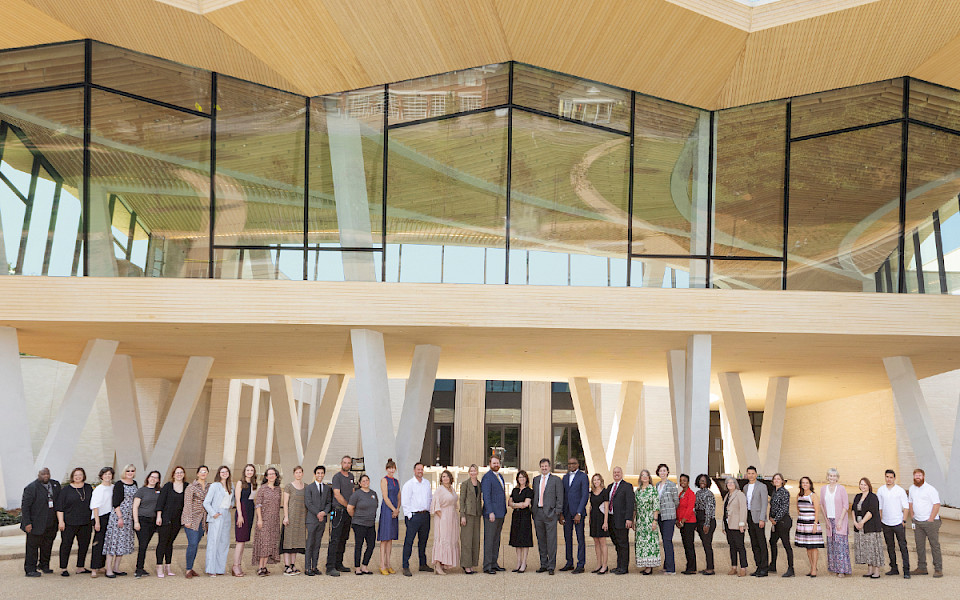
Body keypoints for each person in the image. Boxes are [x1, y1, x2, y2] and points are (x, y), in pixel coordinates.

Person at [21, 467, 61, 577]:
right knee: (32, 547)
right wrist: (27, 523)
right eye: (43, 474)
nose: (46, 476)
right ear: (38, 475)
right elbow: (25, 507)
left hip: (51, 523)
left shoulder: (55, 485)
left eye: (47, 473)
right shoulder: (31, 488)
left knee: (47, 545)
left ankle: (44, 565)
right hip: (35, 524)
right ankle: (30, 569)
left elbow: (59, 502)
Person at [56, 467, 93, 577]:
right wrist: (61, 521)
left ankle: (80, 567)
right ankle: (63, 568)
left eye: (80, 475)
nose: (78, 477)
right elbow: (59, 507)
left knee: (84, 545)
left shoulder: (88, 488)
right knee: (66, 545)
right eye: (76, 475)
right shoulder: (66, 490)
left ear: (83, 476)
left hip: (85, 522)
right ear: (72, 476)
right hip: (69, 523)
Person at [103, 464, 137, 578]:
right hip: (119, 516)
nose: (130, 473)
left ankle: (116, 568)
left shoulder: (135, 483)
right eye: (128, 471)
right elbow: (115, 502)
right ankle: (108, 569)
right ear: (124, 472)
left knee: (122, 543)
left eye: (132, 471)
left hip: (129, 517)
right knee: (113, 542)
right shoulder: (119, 484)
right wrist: (120, 517)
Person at [908, 467, 943, 577]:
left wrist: (931, 519)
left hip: (930, 523)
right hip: (917, 522)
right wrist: (912, 516)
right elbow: (910, 503)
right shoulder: (912, 488)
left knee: (934, 545)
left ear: (923, 477)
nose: (917, 477)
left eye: (919, 475)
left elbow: (936, 504)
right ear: (913, 477)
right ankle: (922, 568)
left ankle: (938, 569)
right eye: (916, 475)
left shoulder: (930, 489)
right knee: (919, 546)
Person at [401, 461, 433, 576]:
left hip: (425, 516)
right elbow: (405, 501)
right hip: (414, 516)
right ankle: (405, 565)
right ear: (414, 471)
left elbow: (430, 498)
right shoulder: (409, 484)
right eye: (418, 469)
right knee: (409, 541)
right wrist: (409, 516)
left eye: (421, 469)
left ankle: (422, 564)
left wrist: (429, 511)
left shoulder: (427, 483)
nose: (420, 471)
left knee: (423, 541)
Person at [877, 469, 910, 578]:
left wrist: (904, 521)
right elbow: (880, 507)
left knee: (902, 546)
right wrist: (880, 521)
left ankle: (906, 570)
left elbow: (906, 507)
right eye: (887, 477)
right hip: (886, 523)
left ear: (894, 478)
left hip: (898, 523)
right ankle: (894, 568)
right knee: (890, 546)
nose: (889, 479)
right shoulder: (881, 490)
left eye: (891, 477)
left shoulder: (900, 490)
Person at [325, 455, 355, 576]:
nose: (347, 464)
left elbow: (352, 492)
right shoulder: (337, 477)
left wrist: (352, 506)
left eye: (349, 463)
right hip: (338, 511)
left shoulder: (352, 477)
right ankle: (330, 566)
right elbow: (337, 494)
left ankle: (339, 563)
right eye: (345, 462)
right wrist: (348, 506)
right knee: (335, 539)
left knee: (344, 538)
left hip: (348, 512)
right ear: (341, 463)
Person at [532, 459, 562, 574]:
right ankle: (543, 564)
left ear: (550, 467)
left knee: (551, 541)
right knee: (541, 540)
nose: (544, 468)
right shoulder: (536, 480)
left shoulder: (556, 480)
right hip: (538, 513)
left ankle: (551, 566)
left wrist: (557, 512)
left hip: (550, 514)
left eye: (546, 466)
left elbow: (560, 497)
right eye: (542, 466)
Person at [203, 465, 233, 577]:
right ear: (219, 474)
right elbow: (206, 502)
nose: (224, 473)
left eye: (226, 472)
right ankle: (211, 569)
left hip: (226, 515)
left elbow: (232, 500)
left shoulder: (231, 485)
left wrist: (231, 505)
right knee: (213, 542)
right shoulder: (215, 486)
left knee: (224, 542)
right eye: (222, 472)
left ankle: (220, 568)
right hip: (217, 515)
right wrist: (213, 513)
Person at [155, 466, 185, 578]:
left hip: (177, 520)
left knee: (170, 543)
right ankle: (159, 566)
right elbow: (160, 502)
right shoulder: (168, 486)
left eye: (181, 472)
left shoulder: (186, 486)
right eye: (177, 473)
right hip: (165, 518)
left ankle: (168, 566)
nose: (179, 474)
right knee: (162, 542)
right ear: (173, 474)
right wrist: (159, 516)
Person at [821, 467, 851, 577]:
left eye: (834, 476)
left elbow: (845, 505)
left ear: (837, 478)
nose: (832, 478)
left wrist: (840, 520)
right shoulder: (823, 489)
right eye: (830, 476)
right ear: (827, 477)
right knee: (832, 545)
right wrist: (826, 521)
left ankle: (842, 569)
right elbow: (822, 505)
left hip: (840, 520)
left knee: (840, 545)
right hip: (829, 520)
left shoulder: (841, 489)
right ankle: (834, 567)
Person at [253, 466, 283, 576]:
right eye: (269, 474)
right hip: (264, 519)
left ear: (276, 476)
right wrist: (260, 519)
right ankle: (260, 567)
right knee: (264, 543)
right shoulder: (262, 489)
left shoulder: (278, 489)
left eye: (273, 474)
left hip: (274, 520)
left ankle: (264, 566)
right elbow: (258, 504)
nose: (271, 476)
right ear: (266, 476)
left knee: (270, 543)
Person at [560, 456, 589, 573]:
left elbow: (585, 495)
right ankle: (569, 562)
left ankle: (581, 564)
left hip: (578, 514)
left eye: (573, 463)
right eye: (569, 463)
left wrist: (579, 512)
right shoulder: (565, 477)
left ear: (578, 464)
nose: (571, 465)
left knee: (580, 539)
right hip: (566, 513)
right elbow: (562, 496)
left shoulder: (583, 477)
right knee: (567, 538)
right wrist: (561, 513)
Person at [852, 477, 884, 578]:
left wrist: (862, 522)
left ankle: (877, 572)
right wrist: (855, 522)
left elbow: (871, 511)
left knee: (873, 548)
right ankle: (869, 570)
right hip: (859, 525)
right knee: (866, 549)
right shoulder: (858, 496)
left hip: (871, 526)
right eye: (861, 484)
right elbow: (853, 509)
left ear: (869, 486)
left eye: (865, 485)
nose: (863, 486)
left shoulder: (873, 497)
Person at [132, 470, 162, 578]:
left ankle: (141, 567)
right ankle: (138, 569)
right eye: (152, 477)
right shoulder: (141, 491)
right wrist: (136, 522)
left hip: (153, 522)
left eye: (156, 477)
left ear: (158, 480)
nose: (153, 479)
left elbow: (160, 506)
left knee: (145, 544)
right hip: (142, 520)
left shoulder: (159, 491)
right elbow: (135, 507)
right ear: (148, 478)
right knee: (143, 545)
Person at [347, 473, 379, 575]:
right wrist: (356, 518)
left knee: (371, 545)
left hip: (371, 524)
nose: (366, 482)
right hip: (359, 524)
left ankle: (364, 566)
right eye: (363, 481)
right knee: (359, 545)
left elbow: (375, 506)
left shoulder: (373, 493)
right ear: (360, 483)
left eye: (367, 480)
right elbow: (350, 508)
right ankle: (357, 567)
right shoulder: (356, 494)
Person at [481, 455, 507, 575]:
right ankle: (487, 566)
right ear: (490, 464)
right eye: (494, 463)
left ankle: (494, 563)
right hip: (491, 514)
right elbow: (486, 496)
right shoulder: (487, 477)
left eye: (497, 463)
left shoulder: (500, 476)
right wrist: (490, 511)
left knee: (496, 540)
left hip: (500, 513)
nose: (496, 465)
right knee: (489, 540)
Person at [430, 469, 460, 574]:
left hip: (452, 517)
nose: (445, 478)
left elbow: (454, 503)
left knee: (450, 539)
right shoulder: (439, 490)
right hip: (443, 517)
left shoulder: (451, 489)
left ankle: (444, 563)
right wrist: (442, 518)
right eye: (443, 476)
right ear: (441, 479)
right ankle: (437, 565)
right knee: (442, 539)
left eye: (447, 476)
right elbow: (435, 505)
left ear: (450, 478)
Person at [182, 465, 209, 579]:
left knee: (196, 545)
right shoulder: (191, 487)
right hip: (192, 519)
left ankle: (191, 567)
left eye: (205, 471)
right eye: (201, 471)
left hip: (203, 520)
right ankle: (188, 569)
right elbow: (187, 505)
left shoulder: (209, 487)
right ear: (197, 473)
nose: (203, 473)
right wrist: (187, 520)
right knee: (192, 544)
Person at [304, 465, 331, 576]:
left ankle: (314, 566)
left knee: (318, 544)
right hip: (312, 519)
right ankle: (307, 568)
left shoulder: (327, 488)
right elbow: (308, 503)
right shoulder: (309, 488)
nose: (320, 475)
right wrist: (318, 513)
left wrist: (324, 512)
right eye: (318, 473)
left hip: (322, 520)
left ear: (324, 474)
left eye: (322, 473)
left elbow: (329, 503)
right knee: (310, 543)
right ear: (315, 474)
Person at [607, 466, 634, 574]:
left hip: (622, 520)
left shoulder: (627, 486)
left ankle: (624, 567)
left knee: (623, 544)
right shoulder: (610, 487)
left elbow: (630, 503)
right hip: (611, 519)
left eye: (618, 472)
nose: (616, 474)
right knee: (616, 543)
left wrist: (629, 518)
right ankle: (619, 565)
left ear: (622, 473)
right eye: (614, 472)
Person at [794, 476, 824, 577]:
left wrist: (815, 524)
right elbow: (798, 508)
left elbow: (817, 511)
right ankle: (812, 567)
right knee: (807, 547)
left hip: (812, 523)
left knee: (814, 546)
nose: (805, 484)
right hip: (803, 523)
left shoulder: (813, 496)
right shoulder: (799, 495)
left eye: (806, 483)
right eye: (803, 483)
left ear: (810, 484)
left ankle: (814, 568)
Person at [742, 465, 769, 577]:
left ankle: (764, 568)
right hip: (749, 517)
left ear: (756, 474)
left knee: (761, 543)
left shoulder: (762, 486)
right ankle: (758, 566)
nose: (751, 475)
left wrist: (762, 518)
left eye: (753, 473)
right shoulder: (745, 487)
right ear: (746, 475)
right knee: (754, 543)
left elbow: (764, 504)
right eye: (749, 473)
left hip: (758, 518)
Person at [232, 464, 257, 577]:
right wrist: (240, 515)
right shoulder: (240, 483)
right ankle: (235, 566)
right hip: (242, 510)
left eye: (251, 470)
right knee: (240, 540)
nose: (249, 472)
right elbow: (237, 500)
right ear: (244, 471)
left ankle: (239, 565)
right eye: (247, 470)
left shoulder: (254, 484)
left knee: (244, 540)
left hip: (250, 510)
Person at [634, 469, 661, 575]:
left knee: (650, 543)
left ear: (649, 477)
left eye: (646, 475)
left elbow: (656, 506)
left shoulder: (653, 490)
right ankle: (645, 565)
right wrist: (633, 520)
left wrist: (655, 520)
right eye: (642, 475)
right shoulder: (638, 491)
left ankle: (650, 567)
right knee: (642, 543)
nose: (644, 477)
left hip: (649, 519)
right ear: (640, 478)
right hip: (640, 521)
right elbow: (635, 507)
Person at [281, 465, 307, 575]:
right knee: (288, 541)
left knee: (296, 542)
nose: (298, 474)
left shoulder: (306, 486)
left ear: (302, 474)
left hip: (301, 518)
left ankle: (292, 564)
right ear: (294, 474)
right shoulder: (289, 486)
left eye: (300, 472)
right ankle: (286, 566)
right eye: (296, 472)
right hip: (290, 517)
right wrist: (286, 516)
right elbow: (285, 503)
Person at [767, 473, 794, 577]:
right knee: (772, 541)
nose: (776, 480)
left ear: (782, 481)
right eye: (775, 479)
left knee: (786, 544)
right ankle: (773, 565)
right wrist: (770, 517)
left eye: (778, 479)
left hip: (783, 521)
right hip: (775, 522)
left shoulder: (785, 492)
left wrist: (776, 519)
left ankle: (791, 568)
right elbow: (772, 506)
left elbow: (784, 508)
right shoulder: (774, 491)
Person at [89, 467, 114, 578]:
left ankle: (101, 565)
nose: (107, 476)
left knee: (107, 543)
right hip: (100, 516)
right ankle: (94, 568)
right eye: (105, 474)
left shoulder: (113, 487)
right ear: (101, 476)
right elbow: (95, 506)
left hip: (111, 517)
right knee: (98, 543)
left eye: (109, 474)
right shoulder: (99, 489)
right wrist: (97, 522)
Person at [377, 458, 401, 575]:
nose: (391, 470)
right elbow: (385, 497)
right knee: (384, 538)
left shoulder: (396, 481)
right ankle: (382, 564)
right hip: (387, 510)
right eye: (390, 468)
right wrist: (393, 509)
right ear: (386, 469)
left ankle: (388, 563)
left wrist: (397, 509)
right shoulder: (384, 480)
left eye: (393, 468)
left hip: (394, 510)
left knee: (390, 538)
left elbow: (399, 496)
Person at [459, 464, 483, 574]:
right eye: (471, 471)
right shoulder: (465, 484)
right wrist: (462, 515)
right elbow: (461, 500)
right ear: (469, 472)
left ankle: (472, 564)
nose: (473, 473)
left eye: (475, 471)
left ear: (477, 472)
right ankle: (466, 565)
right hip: (467, 515)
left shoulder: (479, 484)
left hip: (477, 514)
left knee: (475, 540)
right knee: (466, 541)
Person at [509, 469, 534, 573]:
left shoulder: (529, 491)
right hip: (516, 516)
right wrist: (516, 505)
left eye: (523, 477)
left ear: (526, 479)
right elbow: (509, 502)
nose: (521, 479)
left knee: (524, 540)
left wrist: (515, 504)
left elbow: (526, 504)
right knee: (517, 540)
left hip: (525, 516)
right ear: (517, 479)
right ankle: (518, 562)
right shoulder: (514, 490)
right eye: (520, 477)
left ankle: (524, 562)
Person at [654, 464, 677, 574]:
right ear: (658, 472)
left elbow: (676, 501)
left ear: (667, 472)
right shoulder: (657, 485)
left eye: (664, 470)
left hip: (669, 516)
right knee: (664, 541)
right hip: (660, 517)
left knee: (667, 540)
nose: (662, 472)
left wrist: (671, 510)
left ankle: (671, 568)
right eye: (660, 471)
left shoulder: (672, 485)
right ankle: (666, 564)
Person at [723, 477, 748, 577]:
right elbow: (725, 510)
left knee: (740, 546)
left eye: (732, 482)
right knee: (732, 546)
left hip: (737, 524)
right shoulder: (727, 496)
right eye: (728, 482)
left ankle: (743, 568)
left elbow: (743, 509)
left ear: (736, 484)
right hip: (728, 524)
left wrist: (742, 523)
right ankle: (734, 567)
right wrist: (723, 526)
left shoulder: (740, 494)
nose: (730, 484)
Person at [693, 474, 716, 575]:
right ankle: (708, 566)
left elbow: (709, 510)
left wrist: (707, 524)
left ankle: (710, 568)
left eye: (704, 481)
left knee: (707, 545)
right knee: (705, 544)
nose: (702, 482)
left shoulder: (709, 494)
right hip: (699, 520)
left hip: (707, 521)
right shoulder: (697, 493)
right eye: (700, 480)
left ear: (707, 482)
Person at [588, 473, 609, 574]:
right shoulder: (592, 492)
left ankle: (605, 565)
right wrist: (589, 519)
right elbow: (591, 506)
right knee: (596, 542)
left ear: (601, 481)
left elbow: (606, 508)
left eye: (598, 480)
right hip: (593, 518)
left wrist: (605, 522)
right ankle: (598, 564)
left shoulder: (605, 492)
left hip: (601, 518)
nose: (596, 482)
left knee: (602, 542)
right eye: (594, 480)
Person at [676, 474, 697, 575]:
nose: (682, 482)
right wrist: (677, 520)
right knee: (685, 545)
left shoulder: (691, 494)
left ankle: (692, 567)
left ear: (688, 482)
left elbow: (690, 509)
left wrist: (683, 520)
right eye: (681, 481)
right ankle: (689, 566)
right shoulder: (681, 494)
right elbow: (679, 508)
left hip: (689, 522)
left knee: (689, 545)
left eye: (684, 480)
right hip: (682, 523)